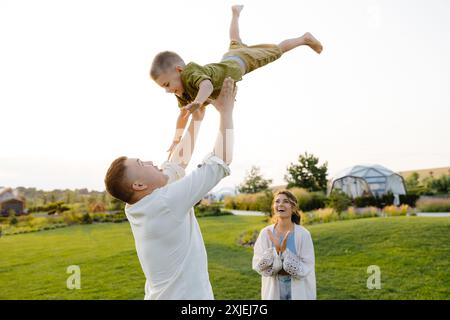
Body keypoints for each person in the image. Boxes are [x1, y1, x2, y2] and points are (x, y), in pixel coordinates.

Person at [104, 77, 237, 299]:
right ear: (139, 185)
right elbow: (220, 161)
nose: (148, 161)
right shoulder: (163, 203)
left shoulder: (137, 205)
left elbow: (175, 165)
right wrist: (226, 112)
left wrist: (196, 120)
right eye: (140, 163)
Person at [150, 5, 323, 156]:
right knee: (235, 40)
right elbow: (182, 115)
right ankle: (235, 13)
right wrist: (176, 139)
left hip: (244, 61)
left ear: (179, 70)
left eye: (167, 84)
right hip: (230, 59)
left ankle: (304, 39)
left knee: (278, 50)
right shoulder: (181, 91)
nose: (167, 90)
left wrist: (198, 101)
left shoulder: (189, 73)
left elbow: (207, 85)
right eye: (163, 88)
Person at [252, 189, 316, 300]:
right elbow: (258, 264)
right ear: (273, 206)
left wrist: (285, 254)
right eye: (277, 201)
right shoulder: (265, 233)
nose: (280, 204)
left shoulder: (303, 234)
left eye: (286, 201)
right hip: (273, 291)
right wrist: (275, 252)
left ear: (293, 207)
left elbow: (307, 266)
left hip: (299, 290)